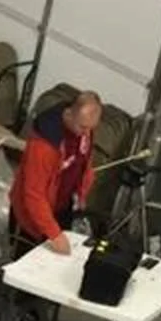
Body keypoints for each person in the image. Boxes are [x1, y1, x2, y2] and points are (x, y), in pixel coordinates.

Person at [12, 90, 101, 253]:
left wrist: (81, 193)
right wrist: (54, 234)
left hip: (61, 208)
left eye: (91, 128)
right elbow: (33, 194)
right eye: (83, 127)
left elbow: (84, 163)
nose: (87, 133)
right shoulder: (44, 145)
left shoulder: (83, 130)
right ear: (70, 114)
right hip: (33, 218)